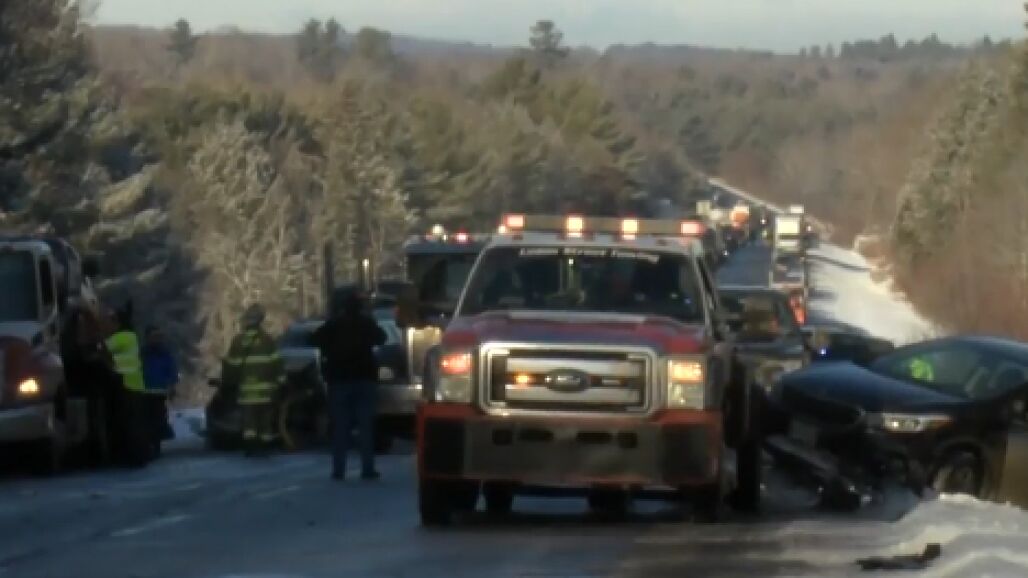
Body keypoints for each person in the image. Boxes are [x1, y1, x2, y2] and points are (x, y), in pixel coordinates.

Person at [313, 289, 386, 481]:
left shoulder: (333, 325)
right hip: (364, 379)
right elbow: (382, 338)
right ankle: (368, 468)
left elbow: (313, 339)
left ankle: (339, 470)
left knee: (340, 427)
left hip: (339, 381)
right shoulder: (366, 324)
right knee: (366, 427)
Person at [222, 304, 284, 457]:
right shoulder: (267, 340)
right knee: (265, 420)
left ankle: (250, 447)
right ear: (260, 321)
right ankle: (265, 446)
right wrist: (281, 382)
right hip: (266, 391)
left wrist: (228, 383)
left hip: (246, 392)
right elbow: (276, 363)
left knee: (249, 422)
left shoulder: (237, 341)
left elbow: (231, 366)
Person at [105, 302, 151, 467]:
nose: (108, 324)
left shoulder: (122, 337)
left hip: (127, 385)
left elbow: (103, 347)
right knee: (136, 423)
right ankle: (139, 454)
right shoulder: (131, 336)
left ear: (118, 322)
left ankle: (135, 456)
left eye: (111, 321)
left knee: (130, 424)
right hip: (133, 385)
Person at [141, 326, 179, 456]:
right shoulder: (142, 353)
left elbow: (172, 370)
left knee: (158, 419)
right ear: (147, 338)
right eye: (154, 336)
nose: (157, 339)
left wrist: (172, 387)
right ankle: (148, 445)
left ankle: (156, 445)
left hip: (159, 393)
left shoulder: (165, 353)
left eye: (159, 336)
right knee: (146, 420)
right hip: (144, 393)